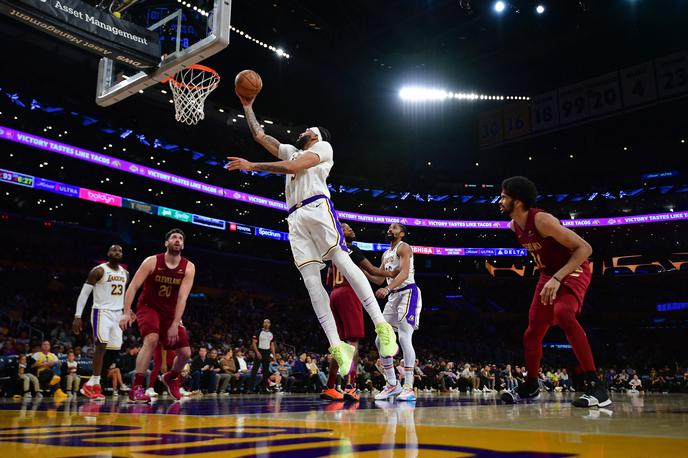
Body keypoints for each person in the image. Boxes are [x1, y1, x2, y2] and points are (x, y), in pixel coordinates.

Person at [227, 92, 398, 376]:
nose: (303, 130)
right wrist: (248, 106)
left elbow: (294, 168)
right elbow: (260, 136)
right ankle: (336, 346)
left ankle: (381, 324)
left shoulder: (325, 147)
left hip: (316, 207)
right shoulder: (291, 151)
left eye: (309, 129)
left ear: (316, 136)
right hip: (294, 217)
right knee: (310, 281)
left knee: (342, 260)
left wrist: (253, 166)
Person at [498, 176, 610, 408]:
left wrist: (558, 277)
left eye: (504, 196)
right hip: (549, 274)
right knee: (532, 331)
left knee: (564, 314)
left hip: (574, 267)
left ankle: (596, 386)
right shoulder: (513, 225)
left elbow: (585, 248)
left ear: (517, 202)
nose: (500, 201)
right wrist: (549, 275)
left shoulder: (542, 220)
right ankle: (531, 384)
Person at [120, 229, 195, 402]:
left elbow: (182, 298)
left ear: (183, 245)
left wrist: (176, 323)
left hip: (170, 311)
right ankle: (137, 388)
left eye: (180, 238)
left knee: (185, 353)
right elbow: (133, 286)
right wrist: (125, 312)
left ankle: (171, 377)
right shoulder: (152, 261)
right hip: (148, 307)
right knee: (152, 340)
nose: (177, 240)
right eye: (173, 237)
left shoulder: (189, 267)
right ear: (166, 243)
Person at [322, 223, 391, 402]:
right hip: (348, 293)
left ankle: (330, 386)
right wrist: (393, 271)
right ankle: (350, 386)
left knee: (339, 344)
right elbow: (374, 271)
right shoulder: (351, 249)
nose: (351, 229)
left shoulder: (333, 254)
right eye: (346, 228)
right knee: (353, 342)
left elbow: (329, 281)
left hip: (334, 295)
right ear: (339, 233)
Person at [373, 223, 423, 402]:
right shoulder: (386, 254)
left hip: (408, 292)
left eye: (394, 228)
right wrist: (357, 269)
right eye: (389, 227)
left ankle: (409, 386)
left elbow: (403, 273)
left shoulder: (404, 247)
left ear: (401, 233)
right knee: (380, 339)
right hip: (394, 296)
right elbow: (378, 278)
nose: (389, 230)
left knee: (403, 337)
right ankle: (393, 384)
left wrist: (387, 289)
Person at [73, 244, 128, 400]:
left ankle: (92, 383)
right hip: (101, 311)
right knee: (101, 345)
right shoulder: (98, 270)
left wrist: (128, 310)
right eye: (114, 250)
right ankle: (96, 383)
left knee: (115, 349)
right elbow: (84, 294)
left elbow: (125, 295)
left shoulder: (126, 273)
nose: (117, 252)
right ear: (108, 253)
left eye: (120, 251)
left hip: (118, 313)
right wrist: (78, 316)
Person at [250, 319, 276, 394]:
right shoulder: (258, 332)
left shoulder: (271, 333)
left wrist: (274, 356)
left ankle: (264, 389)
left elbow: (272, 345)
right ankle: (250, 389)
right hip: (259, 351)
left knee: (265, 372)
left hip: (267, 352)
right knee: (254, 370)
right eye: (265, 322)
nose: (266, 324)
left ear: (270, 324)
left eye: (268, 322)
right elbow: (254, 343)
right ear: (263, 324)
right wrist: (257, 352)